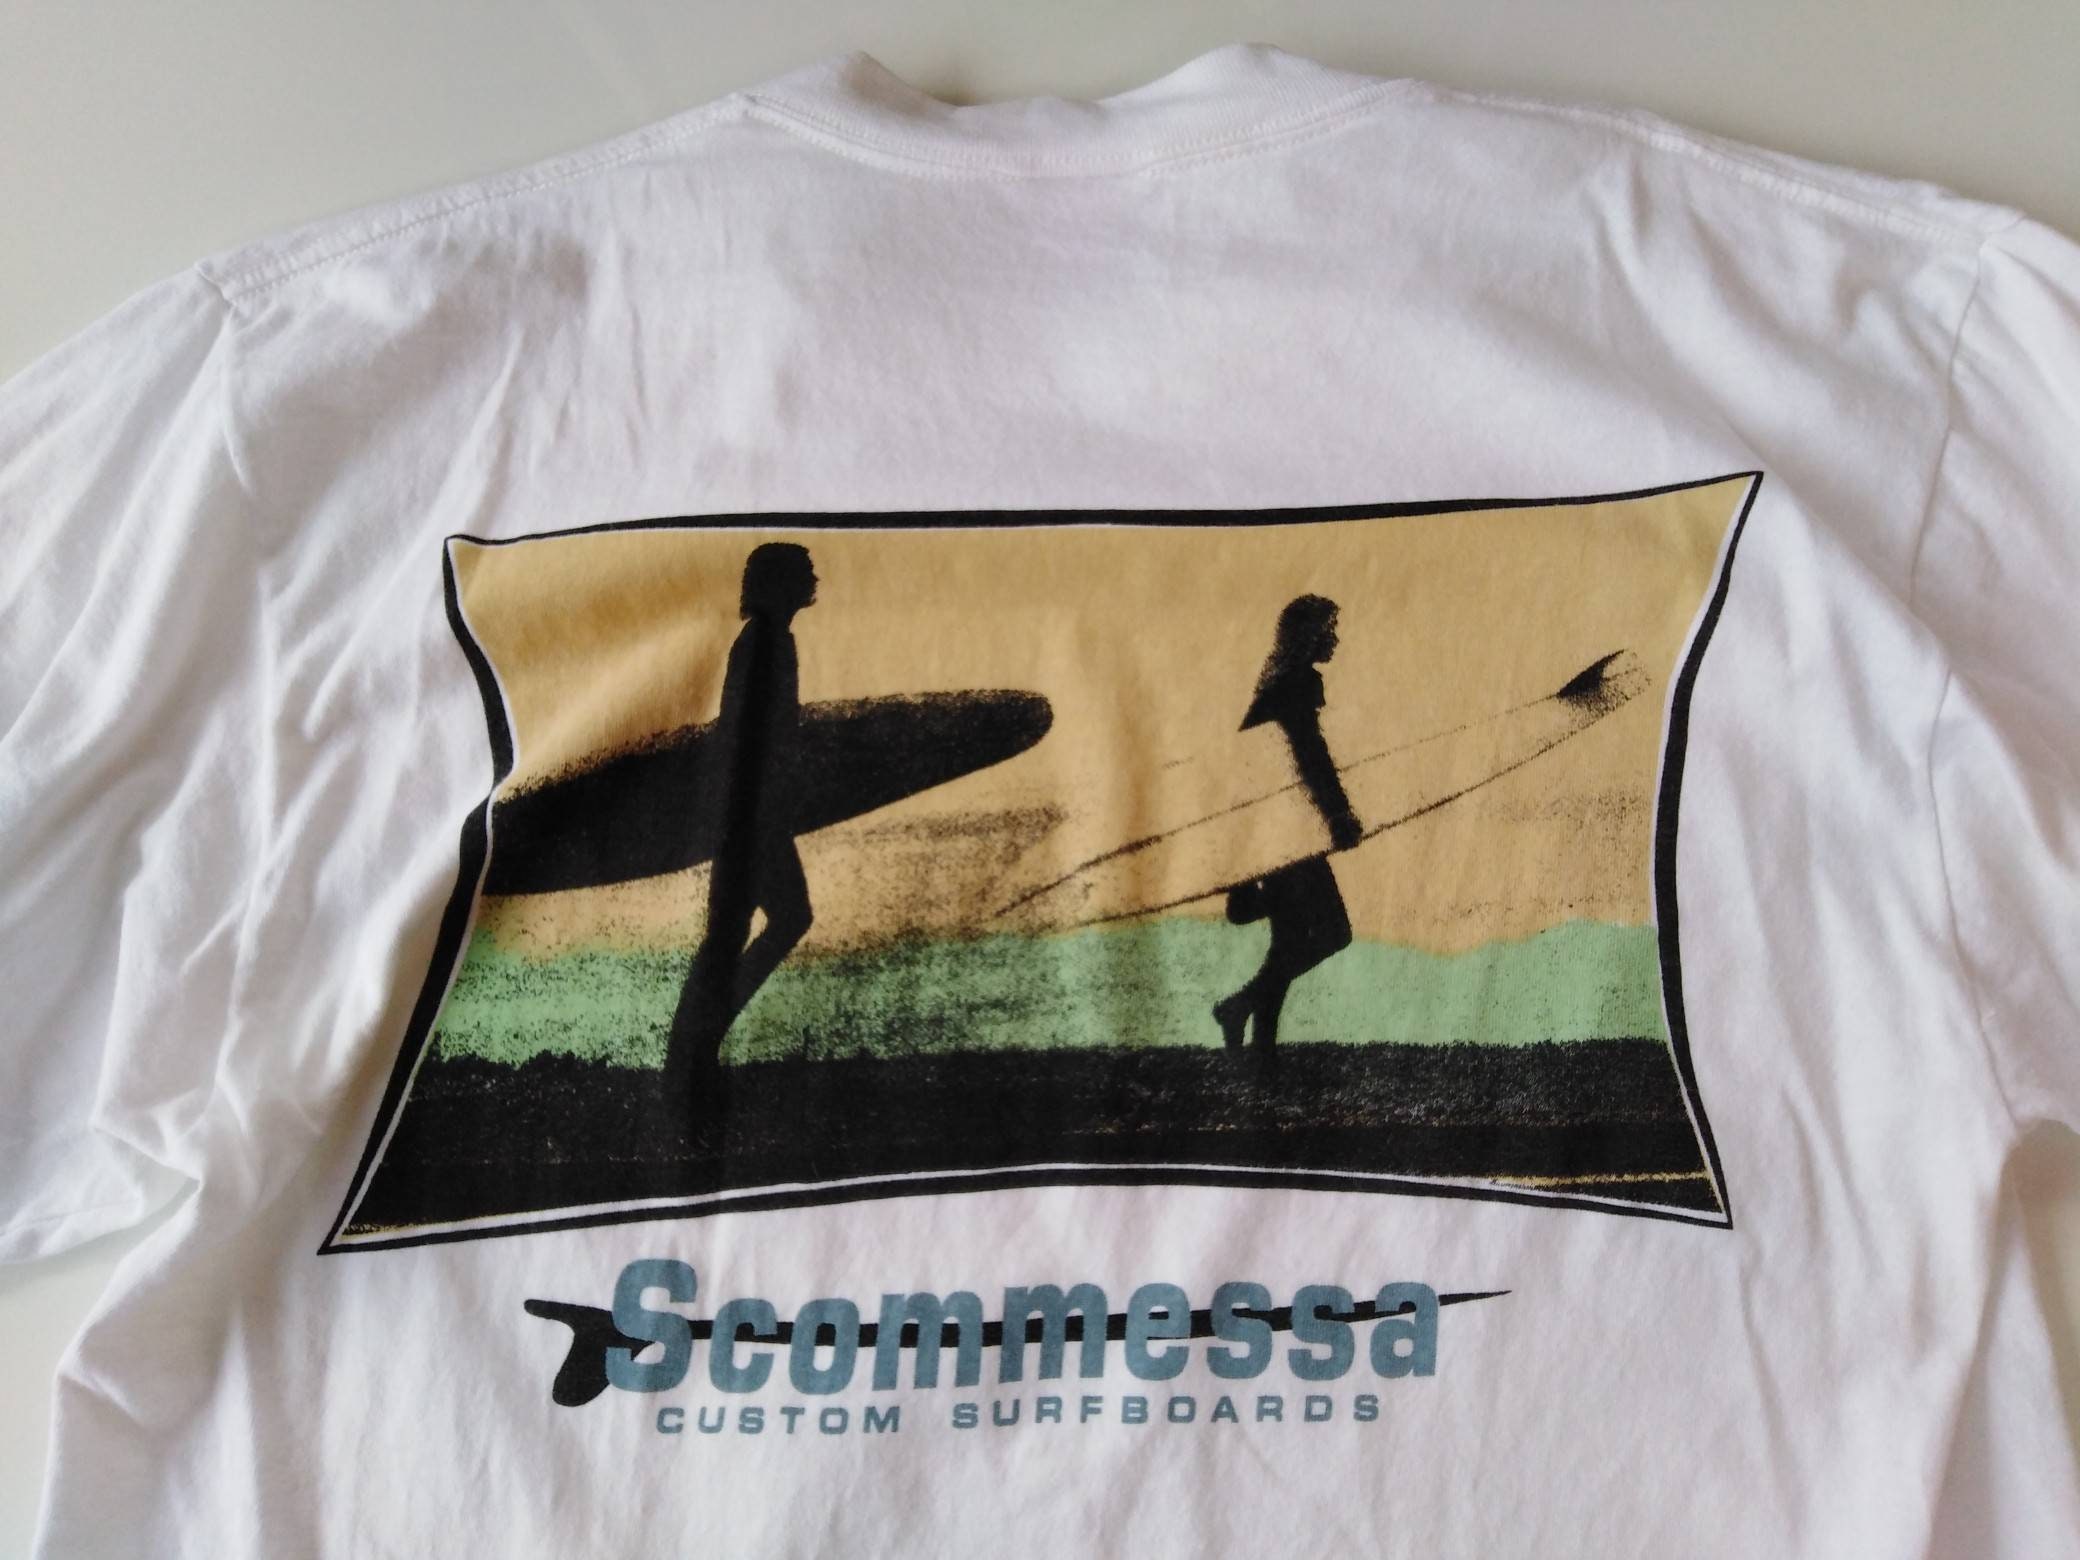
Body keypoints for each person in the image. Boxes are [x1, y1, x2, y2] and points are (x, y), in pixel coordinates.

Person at [660, 542, 819, 1115]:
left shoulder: (768, 641)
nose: (813, 580)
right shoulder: (766, 644)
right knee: (751, 930)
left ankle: (694, 1053)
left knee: (731, 936)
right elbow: (749, 737)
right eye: (803, 573)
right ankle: (694, 1054)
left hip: (749, 815)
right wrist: (760, 812)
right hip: (752, 817)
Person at [1212, 594, 1363, 1064]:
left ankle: (1262, 1055)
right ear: (1309, 636)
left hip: (1272, 830)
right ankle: (1239, 1008)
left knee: (1288, 943)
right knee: (1333, 932)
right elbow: (1310, 755)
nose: (1335, 639)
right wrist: (1339, 815)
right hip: (1285, 834)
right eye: (1328, 630)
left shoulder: (1276, 684)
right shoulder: (1297, 684)